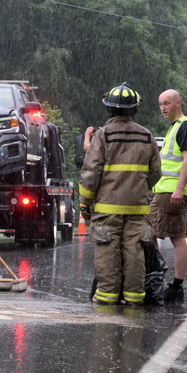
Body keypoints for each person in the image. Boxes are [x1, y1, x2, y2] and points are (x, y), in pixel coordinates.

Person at [79, 83, 162, 305]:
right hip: (138, 208)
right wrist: (138, 188)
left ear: (109, 110)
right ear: (134, 110)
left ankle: (107, 296)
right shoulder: (147, 137)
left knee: (108, 251)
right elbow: (155, 173)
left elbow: (91, 173)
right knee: (135, 252)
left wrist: (85, 202)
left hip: (107, 208)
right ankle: (134, 297)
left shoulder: (102, 135)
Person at [149, 89, 187, 302]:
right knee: (156, 232)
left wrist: (179, 188)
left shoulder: (186, 126)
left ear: (178, 103)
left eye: (167, 103)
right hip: (166, 191)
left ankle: (169, 283)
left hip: (171, 192)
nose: (163, 108)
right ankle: (165, 281)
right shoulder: (176, 127)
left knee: (171, 236)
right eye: (160, 104)